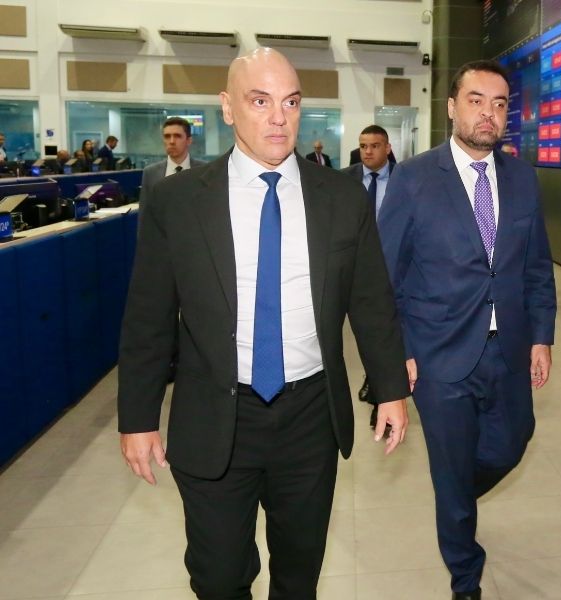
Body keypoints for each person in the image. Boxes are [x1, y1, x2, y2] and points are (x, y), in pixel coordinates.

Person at [118, 47, 410, 599]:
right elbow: (148, 317)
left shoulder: (341, 197)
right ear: (228, 107)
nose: (279, 117)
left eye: (291, 102)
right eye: (260, 102)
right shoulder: (178, 202)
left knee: (299, 574)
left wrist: (391, 389)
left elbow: (371, 301)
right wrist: (137, 417)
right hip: (215, 414)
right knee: (219, 577)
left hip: (310, 417)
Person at [378, 59, 557, 600]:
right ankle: (466, 578)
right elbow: (385, 278)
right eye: (476, 101)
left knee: (510, 444)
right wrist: (398, 353)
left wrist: (542, 335)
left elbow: (536, 266)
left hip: (509, 348)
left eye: (499, 104)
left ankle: (453, 495)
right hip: (438, 355)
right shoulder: (413, 179)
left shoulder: (522, 178)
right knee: (454, 467)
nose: (488, 113)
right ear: (452, 107)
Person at [343, 124, 395, 427]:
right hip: (355, 270)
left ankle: (380, 395)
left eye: (375, 146)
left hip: (392, 269)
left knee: (385, 333)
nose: (368, 151)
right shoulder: (344, 180)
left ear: (387, 148)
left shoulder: (404, 179)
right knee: (365, 332)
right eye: (363, 146)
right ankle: (373, 378)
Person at [140, 116, 207, 202]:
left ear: (189, 141)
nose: (171, 141)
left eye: (177, 136)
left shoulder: (205, 170)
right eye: (167, 136)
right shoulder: (150, 173)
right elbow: (145, 208)